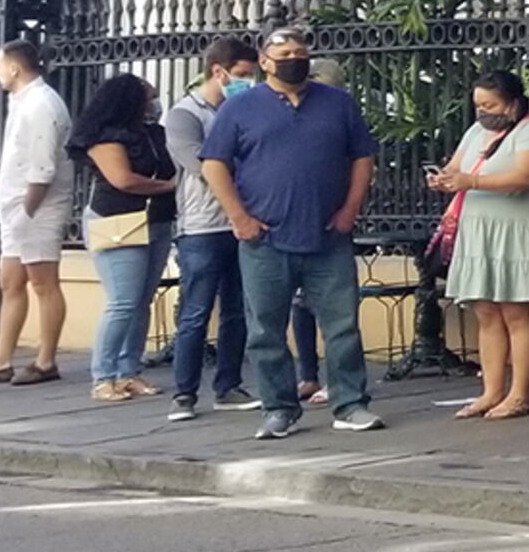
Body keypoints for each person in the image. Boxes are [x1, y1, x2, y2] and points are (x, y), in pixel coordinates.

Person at [199, 26, 381, 439]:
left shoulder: (338, 103)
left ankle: (350, 403)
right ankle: (279, 407)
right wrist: (239, 218)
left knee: (342, 324)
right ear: (264, 61)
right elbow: (214, 164)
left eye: (300, 51)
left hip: (328, 235)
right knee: (265, 328)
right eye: (284, 52)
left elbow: (362, 157)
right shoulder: (240, 108)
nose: (294, 58)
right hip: (265, 240)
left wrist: (350, 208)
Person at [430, 71, 529, 422]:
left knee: (515, 312)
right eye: (478, 105)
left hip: (514, 230)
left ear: (513, 102)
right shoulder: (476, 132)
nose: (484, 111)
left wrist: (471, 181)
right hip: (478, 228)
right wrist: (444, 179)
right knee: (485, 311)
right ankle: (491, 391)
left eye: (491, 104)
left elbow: (525, 176)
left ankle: (519, 394)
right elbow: (456, 166)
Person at [162, 39, 263, 420]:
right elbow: (202, 165)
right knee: (196, 311)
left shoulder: (247, 110)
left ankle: (228, 385)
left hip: (241, 222)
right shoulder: (185, 115)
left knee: (237, 310)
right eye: (240, 75)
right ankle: (184, 393)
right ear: (218, 72)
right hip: (202, 226)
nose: (246, 83)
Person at [0, 41, 70, 385]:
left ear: (14, 68)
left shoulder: (41, 104)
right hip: (18, 206)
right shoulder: (23, 101)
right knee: (10, 281)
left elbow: (42, 166)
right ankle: (0, 359)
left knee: (43, 281)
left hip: (37, 206)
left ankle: (46, 360)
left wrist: (27, 209)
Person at [74, 72, 176, 403]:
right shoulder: (107, 137)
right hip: (118, 219)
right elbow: (123, 179)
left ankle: (128, 371)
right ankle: (103, 375)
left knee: (141, 300)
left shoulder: (153, 134)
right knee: (123, 301)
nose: (153, 105)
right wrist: (169, 187)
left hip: (156, 219)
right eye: (148, 98)